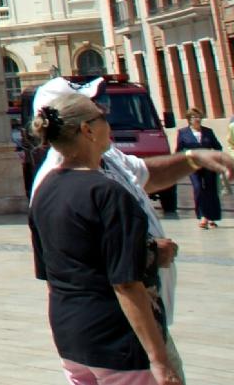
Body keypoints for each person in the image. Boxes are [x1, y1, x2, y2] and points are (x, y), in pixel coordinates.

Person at [31, 76, 234, 369]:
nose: (105, 111)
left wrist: (193, 159)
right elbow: (74, 265)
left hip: (92, 332)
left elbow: (144, 175)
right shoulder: (73, 183)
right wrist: (149, 254)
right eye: (97, 109)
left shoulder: (103, 158)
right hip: (121, 330)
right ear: (82, 127)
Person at [29, 91, 182, 383]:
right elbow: (126, 283)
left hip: (70, 336)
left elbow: (51, 275)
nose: (108, 124)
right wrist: (159, 360)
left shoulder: (45, 190)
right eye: (103, 117)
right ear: (87, 129)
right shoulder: (107, 193)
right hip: (117, 340)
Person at [174, 111, 223, 230]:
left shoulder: (208, 131)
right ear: (189, 119)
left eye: (199, 117)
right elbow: (179, 150)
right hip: (192, 165)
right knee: (198, 188)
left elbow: (218, 147)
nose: (197, 119)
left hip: (208, 164)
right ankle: (202, 216)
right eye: (194, 117)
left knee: (211, 190)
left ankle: (211, 218)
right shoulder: (183, 132)